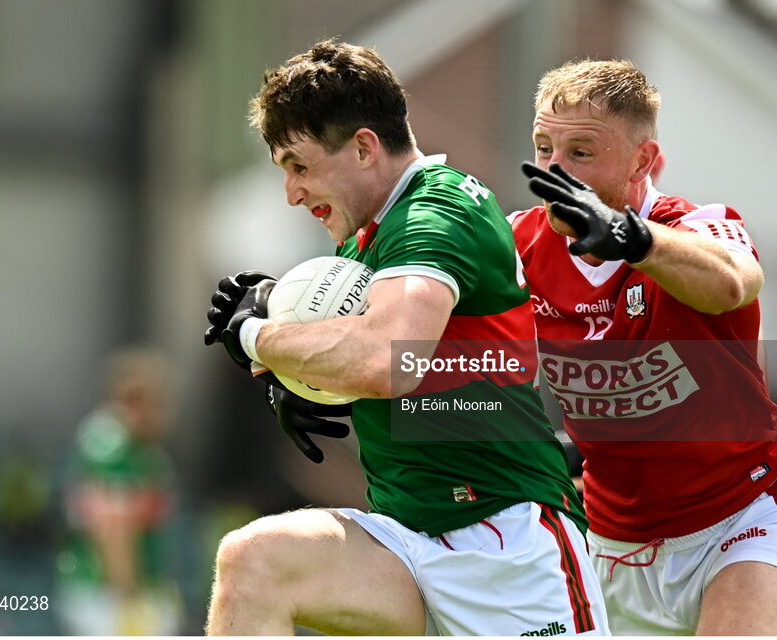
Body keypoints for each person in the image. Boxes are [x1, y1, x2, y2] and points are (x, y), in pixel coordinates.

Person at [202, 40, 608, 636]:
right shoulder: (364, 235)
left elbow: (391, 360)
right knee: (254, 562)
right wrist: (301, 378)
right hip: (411, 542)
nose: (291, 193)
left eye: (299, 165)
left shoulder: (433, 213)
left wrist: (257, 335)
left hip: (508, 549)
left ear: (365, 147)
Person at [509, 59, 777, 635]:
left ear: (642, 159)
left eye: (581, 154)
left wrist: (631, 239)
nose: (554, 172)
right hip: (613, 545)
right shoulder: (519, 243)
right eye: (544, 148)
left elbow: (732, 281)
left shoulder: (696, 226)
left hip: (747, 520)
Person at [56, 348, 181, 635]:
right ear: (132, 401)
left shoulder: (145, 450)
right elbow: (114, 529)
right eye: (159, 402)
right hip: (107, 594)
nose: (166, 413)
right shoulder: (112, 448)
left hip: (136, 587)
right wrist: (129, 601)